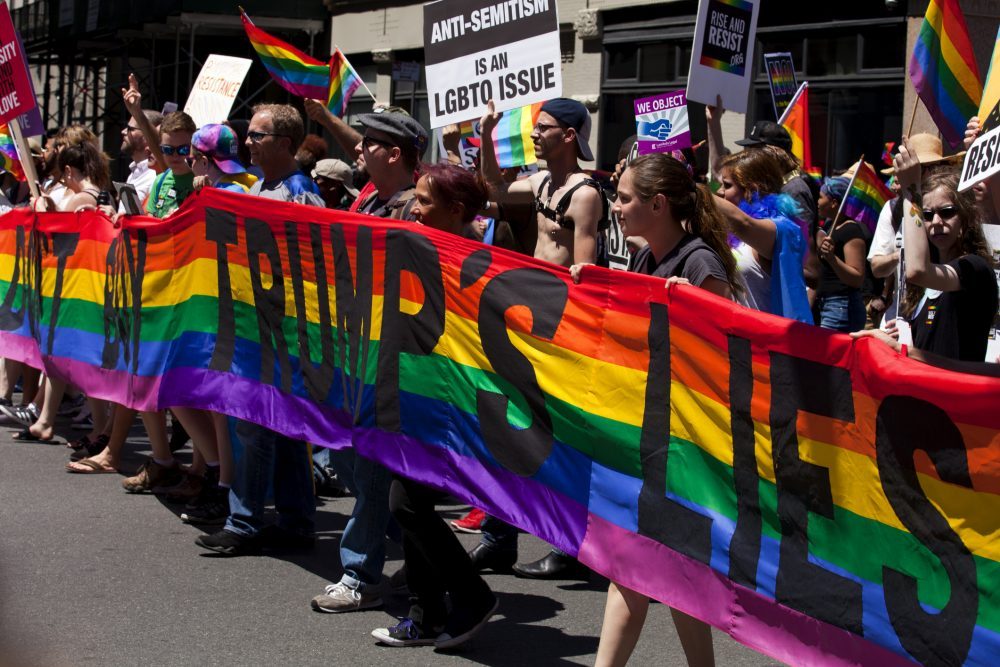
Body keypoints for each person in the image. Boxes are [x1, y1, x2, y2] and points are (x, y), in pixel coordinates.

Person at [574, 153, 741, 667]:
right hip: (653, 430)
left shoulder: (699, 263)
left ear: (658, 204)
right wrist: (597, 286)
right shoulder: (649, 259)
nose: (617, 208)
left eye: (624, 198)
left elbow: (728, 352)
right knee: (667, 569)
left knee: (637, 564)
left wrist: (696, 307)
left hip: (685, 444)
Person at [371, 163, 499, 649]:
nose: (414, 207)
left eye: (424, 200)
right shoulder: (416, 245)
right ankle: (425, 615)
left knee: (406, 502)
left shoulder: (483, 259)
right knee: (413, 501)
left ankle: (471, 595)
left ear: (456, 210)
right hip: (417, 393)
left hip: (454, 404)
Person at [476, 97, 603, 579]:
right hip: (524, 317)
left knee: (553, 439)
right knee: (503, 427)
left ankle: (567, 545)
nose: (534, 133)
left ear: (568, 135)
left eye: (543, 126)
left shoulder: (585, 193)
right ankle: (498, 537)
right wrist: (487, 134)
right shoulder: (539, 181)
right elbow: (495, 188)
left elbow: (584, 271)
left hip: (558, 325)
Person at [309, 109, 428, 615]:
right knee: (348, 457)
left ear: (395, 154)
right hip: (357, 348)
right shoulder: (371, 198)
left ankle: (361, 573)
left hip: (389, 356)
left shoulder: (412, 209)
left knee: (374, 462)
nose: (359, 150)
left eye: (371, 144)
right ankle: (421, 555)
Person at [196, 104, 321, 555]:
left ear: (285, 144)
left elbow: (306, 262)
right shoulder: (261, 186)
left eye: (257, 135)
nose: (247, 142)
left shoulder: (300, 191)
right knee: (282, 429)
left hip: (280, 329)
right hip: (255, 322)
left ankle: (245, 522)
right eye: (248, 135)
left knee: (253, 424)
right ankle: (295, 521)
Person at [8, 141, 111, 442]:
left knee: (80, 356)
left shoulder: (82, 198)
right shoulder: (96, 193)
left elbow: (63, 239)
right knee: (61, 353)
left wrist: (46, 211)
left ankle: (100, 428)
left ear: (68, 170)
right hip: (79, 286)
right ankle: (46, 420)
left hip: (78, 287)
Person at [893, 138, 998, 361]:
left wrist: (911, 191)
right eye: (928, 215)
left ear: (965, 217)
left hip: (959, 394)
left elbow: (918, 272)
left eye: (947, 212)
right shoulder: (920, 291)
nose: (936, 222)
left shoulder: (975, 267)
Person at [716, 146, 812, 322]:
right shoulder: (733, 231)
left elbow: (743, 223)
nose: (719, 191)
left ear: (752, 189)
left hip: (770, 341)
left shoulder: (781, 229)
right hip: (738, 338)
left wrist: (693, 188)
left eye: (727, 185)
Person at [814, 177, 868, 332]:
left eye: (820, 197)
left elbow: (857, 278)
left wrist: (832, 258)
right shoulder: (831, 226)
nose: (817, 202)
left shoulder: (851, 230)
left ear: (834, 202)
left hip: (841, 306)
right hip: (826, 304)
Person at [190, 124, 257, 194]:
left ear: (204, 163)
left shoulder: (224, 194)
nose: (191, 167)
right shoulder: (251, 182)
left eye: (191, 161)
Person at [119, 108, 162, 211]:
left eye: (131, 129)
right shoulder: (134, 172)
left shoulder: (155, 175)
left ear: (148, 135)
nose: (123, 132)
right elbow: (128, 215)